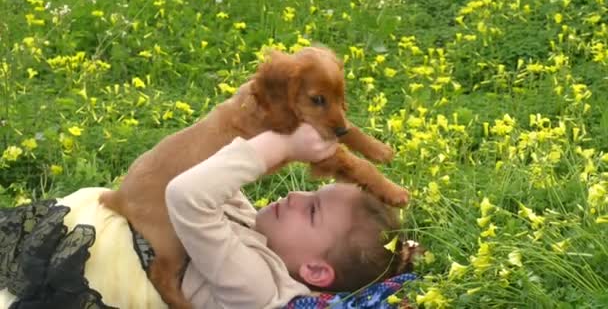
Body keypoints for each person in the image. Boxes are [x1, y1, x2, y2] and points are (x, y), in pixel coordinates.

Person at [0, 124, 411, 309]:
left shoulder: (257, 288)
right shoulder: (258, 235)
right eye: (310, 191)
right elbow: (202, 172)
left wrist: (277, 145)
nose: (297, 193)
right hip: (88, 230)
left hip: (89, 266)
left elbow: (187, 195)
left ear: (316, 271)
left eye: (313, 210)